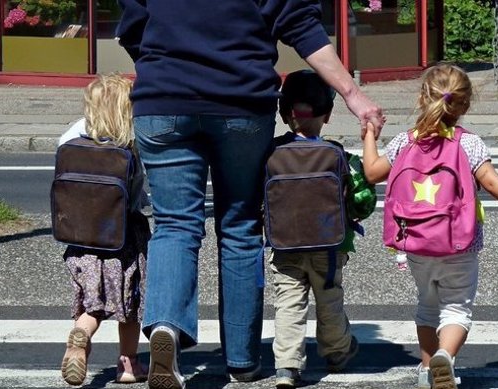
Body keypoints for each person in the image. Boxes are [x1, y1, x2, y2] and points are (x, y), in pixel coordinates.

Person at [115, 1, 385, 388]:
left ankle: (166, 329)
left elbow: (133, 25)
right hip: (239, 102)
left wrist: (165, 66)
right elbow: (302, 27)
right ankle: (242, 360)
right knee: (240, 223)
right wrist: (352, 94)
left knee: (175, 224)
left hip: (163, 99)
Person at [361, 64, 498, 389]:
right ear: (464, 105)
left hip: (415, 243)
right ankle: (445, 356)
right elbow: (492, 184)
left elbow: (371, 172)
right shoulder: (469, 144)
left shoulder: (405, 141)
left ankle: (427, 374)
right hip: (459, 245)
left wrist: (369, 135)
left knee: (427, 306)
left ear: (423, 98)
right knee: (456, 307)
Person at [268, 70, 374, 388]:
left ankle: (286, 365)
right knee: (329, 300)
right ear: (326, 116)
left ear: (284, 114)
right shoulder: (337, 154)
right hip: (328, 247)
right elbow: (362, 199)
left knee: (288, 302)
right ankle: (337, 351)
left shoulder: (271, 154)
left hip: (284, 244)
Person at [58, 74, 149, 386]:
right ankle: (128, 365)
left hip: (79, 236)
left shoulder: (70, 138)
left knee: (90, 298)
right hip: (120, 240)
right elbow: (136, 198)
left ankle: (80, 336)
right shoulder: (129, 147)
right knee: (128, 304)